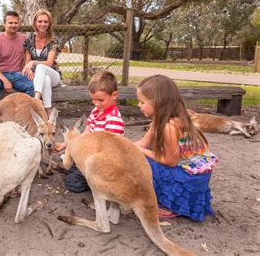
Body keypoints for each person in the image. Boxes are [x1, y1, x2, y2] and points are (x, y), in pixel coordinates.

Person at [135, 74, 218, 221]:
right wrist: (123, 146)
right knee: (139, 155)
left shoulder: (169, 126)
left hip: (189, 178)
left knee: (145, 162)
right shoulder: (160, 118)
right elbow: (142, 143)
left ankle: (171, 205)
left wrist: (142, 152)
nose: (138, 106)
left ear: (157, 103)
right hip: (188, 171)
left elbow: (170, 161)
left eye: (142, 102)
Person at [54, 70, 125, 193]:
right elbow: (85, 134)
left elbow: (109, 150)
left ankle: (95, 183)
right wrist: (66, 145)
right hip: (89, 156)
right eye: (93, 100)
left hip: (101, 163)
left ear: (114, 95)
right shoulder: (95, 112)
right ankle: (80, 173)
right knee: (71, 166)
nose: (96, 104)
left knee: (72, 183)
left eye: (100, 100)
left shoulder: (114, 119)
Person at [0, 10, 34, 114]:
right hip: (0, 74)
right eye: (10, 23)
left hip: (17, 74)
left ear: (19, 24)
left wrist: (27, 68)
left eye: (16, 23)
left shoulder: (24, 38)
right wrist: (5, 80)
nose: (13, 25)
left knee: (32, 86)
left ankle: (23, 113)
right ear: (4, 24)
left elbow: (27, 54)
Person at [22, 9, 61, 116]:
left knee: (41, 68)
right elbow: (27, 62)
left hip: (54, 74)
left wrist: (33, 63)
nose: (42, 24)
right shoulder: (29, 39)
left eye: (45, 22)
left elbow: (49, 63)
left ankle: (36, 100)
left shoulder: (53, 40)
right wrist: (29, 69)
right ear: (35, 23)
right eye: (40, 21)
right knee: (45, 80)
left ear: (49, 24)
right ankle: (48, 112)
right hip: (37, 76)